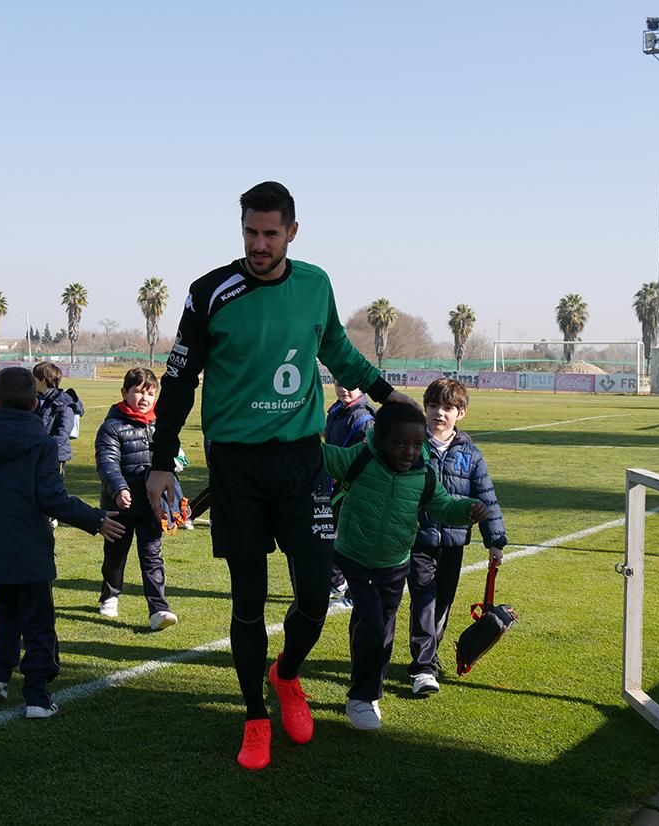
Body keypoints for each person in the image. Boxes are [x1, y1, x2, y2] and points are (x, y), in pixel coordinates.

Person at [145, 181, 416, 770]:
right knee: (248, 601)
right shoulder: (208, 292)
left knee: (317, 595)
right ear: (241, 228)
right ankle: (254, 716)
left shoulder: (315, 284)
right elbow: (179, 381)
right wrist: (161, 461)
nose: (259, 244)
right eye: (250, 232)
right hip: (237, 467)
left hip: (303, 462)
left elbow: (340, 353)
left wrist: (391, 398)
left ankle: (286, 674)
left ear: (293, 232)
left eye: (271, 233)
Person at [0, 367, 124, 718]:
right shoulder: (42, 443)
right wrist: (94, 519)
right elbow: (52, 498)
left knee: (6, 613)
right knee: (37, 621)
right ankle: (36, 693)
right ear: (35, 402)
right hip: (29, 544)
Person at [324, 402, 486, 729]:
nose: (409, 451)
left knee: (379, 627)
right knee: (371, 624)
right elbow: (321, 455)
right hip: (355, 559)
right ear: (379, 440)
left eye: (416, 444)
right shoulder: (361, 458)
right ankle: (362, 697)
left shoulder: (423, 475)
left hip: (394, 565)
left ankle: (370, 684)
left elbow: (443, 506)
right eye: (400, 444)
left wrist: (467, 509)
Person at [407, 378, 507, 694]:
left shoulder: (471, 455)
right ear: (425, 408)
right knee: (424, 599)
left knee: (443, 603)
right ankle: (422, 668)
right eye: (433, 406)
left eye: (448, 407)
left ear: (460, 413)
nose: (439, 413)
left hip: (453, 543)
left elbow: (485, 497)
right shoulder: (411, 445)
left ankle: (429, 658)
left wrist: (495, 540)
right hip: (417, 540)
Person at [95, 367, 179, 631]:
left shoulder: (160, 426)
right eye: (139, 392)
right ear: (125, 392)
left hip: (151, 507)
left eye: (150, 393)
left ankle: (159, 609)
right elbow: (107, 462)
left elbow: (170, 462)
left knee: (152, 557)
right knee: (115, 556)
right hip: (119, 505)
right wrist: (119, 489)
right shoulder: (112, 427)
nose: (144, 398)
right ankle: (110, 595)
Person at [323, 381, 376, 602]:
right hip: (331, 485)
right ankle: (336, 581)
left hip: (351, 488)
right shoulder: (335, 411)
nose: (344, 389)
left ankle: (354, 590)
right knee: (327, 535)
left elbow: (365, 457)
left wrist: (343, 474)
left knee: (347, 540)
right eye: (339, 383)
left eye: (350, 385)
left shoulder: (364, 419)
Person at [33, 361, 83, 474]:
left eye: (34, 377)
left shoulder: (64, 402)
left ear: (43, 380)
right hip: (36, 454)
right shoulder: (33, 399)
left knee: (52, 488)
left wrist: (46, 449)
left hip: (56, 456)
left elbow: (63, 432)